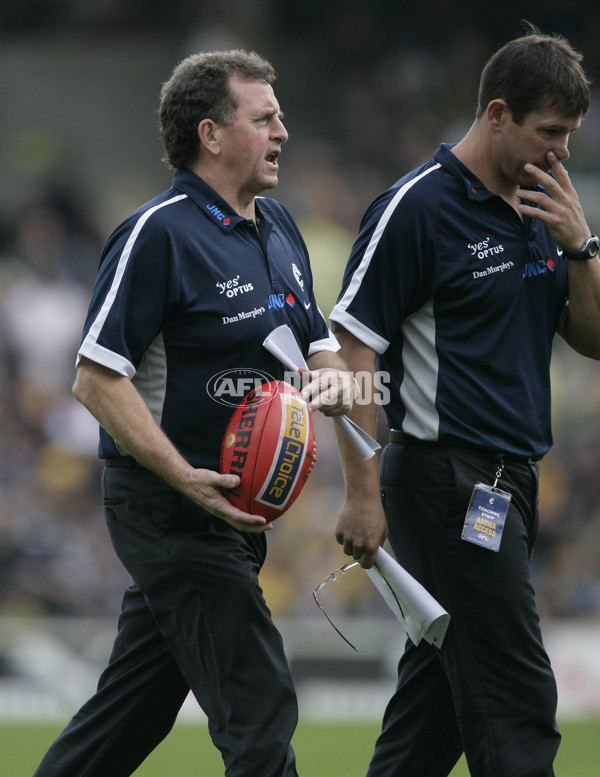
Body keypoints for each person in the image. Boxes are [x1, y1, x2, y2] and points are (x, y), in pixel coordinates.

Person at [34, 49, 355, 777]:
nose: (283, 130)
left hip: (235, 511)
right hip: (170, 508)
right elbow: (95, 379)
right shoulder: (157, 233)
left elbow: (320, 343)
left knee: (131, 712)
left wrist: (333, 382)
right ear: (211, 134)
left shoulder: (278, 225)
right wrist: (183, 475)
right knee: (259, 701)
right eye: (264, 117)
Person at [329, 24, 600, 777]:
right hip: (446, 481)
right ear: (497, 114)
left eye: (572, 135)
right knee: (516, 694)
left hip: (511, 480)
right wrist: (360, 491)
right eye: (550, 131)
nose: (563, 152)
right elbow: (352, 351)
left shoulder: (548, 208)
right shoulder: (416, 207)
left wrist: (582, 246)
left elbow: (595, 337)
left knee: (437, 705)